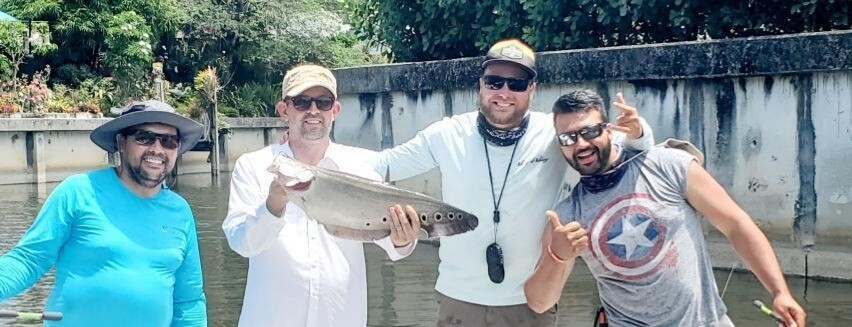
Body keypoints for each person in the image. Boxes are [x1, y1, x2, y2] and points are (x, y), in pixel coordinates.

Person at [367, 39, 656, 327]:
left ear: (532, 89)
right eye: (495, 82)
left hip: (531, 303)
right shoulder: (446, 134)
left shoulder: (554, 132)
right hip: (459, 299)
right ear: (481, 84)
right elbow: (381, 165)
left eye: (516, 84)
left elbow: (628, 153)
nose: (504, 92)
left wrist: (639, 131)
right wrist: (322, 166)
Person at [524, 89, 807, 327]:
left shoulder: (668, 164)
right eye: (568, 138)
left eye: (590, 131)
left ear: (609, 130)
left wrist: (779, 291)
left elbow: (735, 224)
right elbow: (540, 301)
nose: (581, 144)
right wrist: (556, 256)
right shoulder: (566, 216)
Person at [222, 64, 422, 327]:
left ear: (335, 110)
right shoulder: (253, 166)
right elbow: (241, 243)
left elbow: (394, 247)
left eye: (323, 102)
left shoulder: (359, 170)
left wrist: (403, 239)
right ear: (284, 110)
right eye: (302, 102)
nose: (313, 111)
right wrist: (273, 205)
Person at [0, 100, 208, 326]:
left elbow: (188, 301)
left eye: (169, 141)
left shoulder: (180, 211)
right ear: (121, 142)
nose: (157, 149)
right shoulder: (78, 192)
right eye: (144, 137)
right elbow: (28, 259)